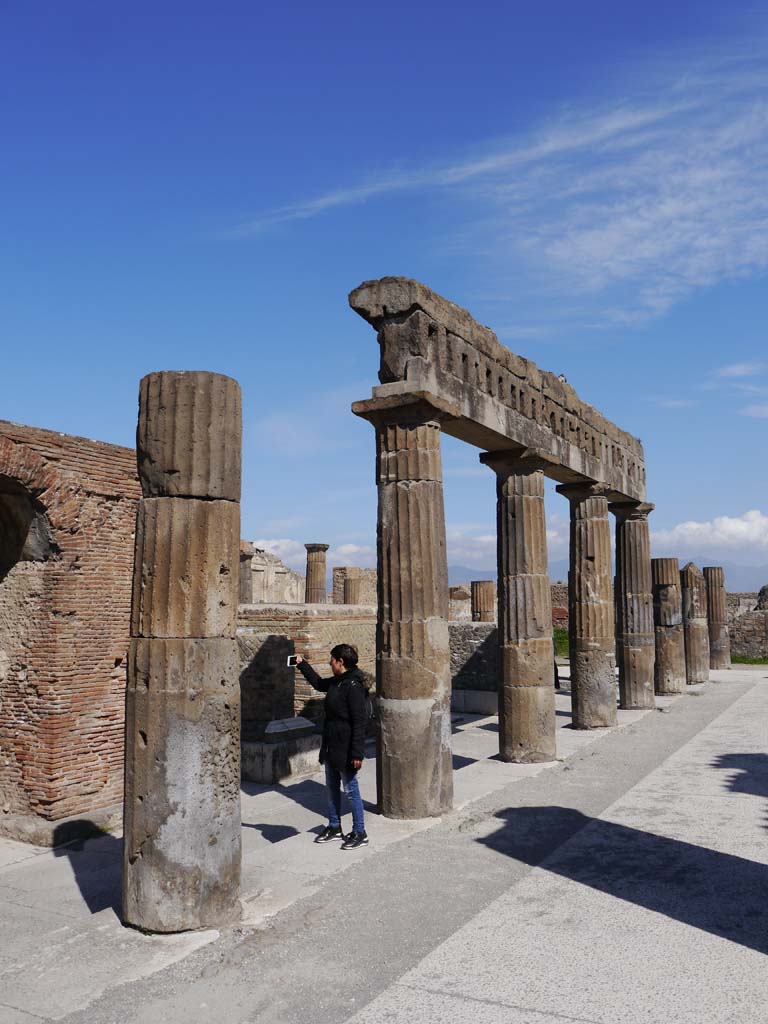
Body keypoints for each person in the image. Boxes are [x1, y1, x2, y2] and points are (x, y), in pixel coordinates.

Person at [295, 643, 368, 850]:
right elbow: (318, 684)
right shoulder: (338, 682)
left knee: (351, 790)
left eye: (332, 659)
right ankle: (335, 827)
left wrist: (357, 753)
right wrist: (302, 665)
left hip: (346, 748)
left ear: (340, 662)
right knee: (331, 788)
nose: (329, 662)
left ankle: (360, 832)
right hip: (331, 745)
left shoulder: (353, 686)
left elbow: (359, 722)